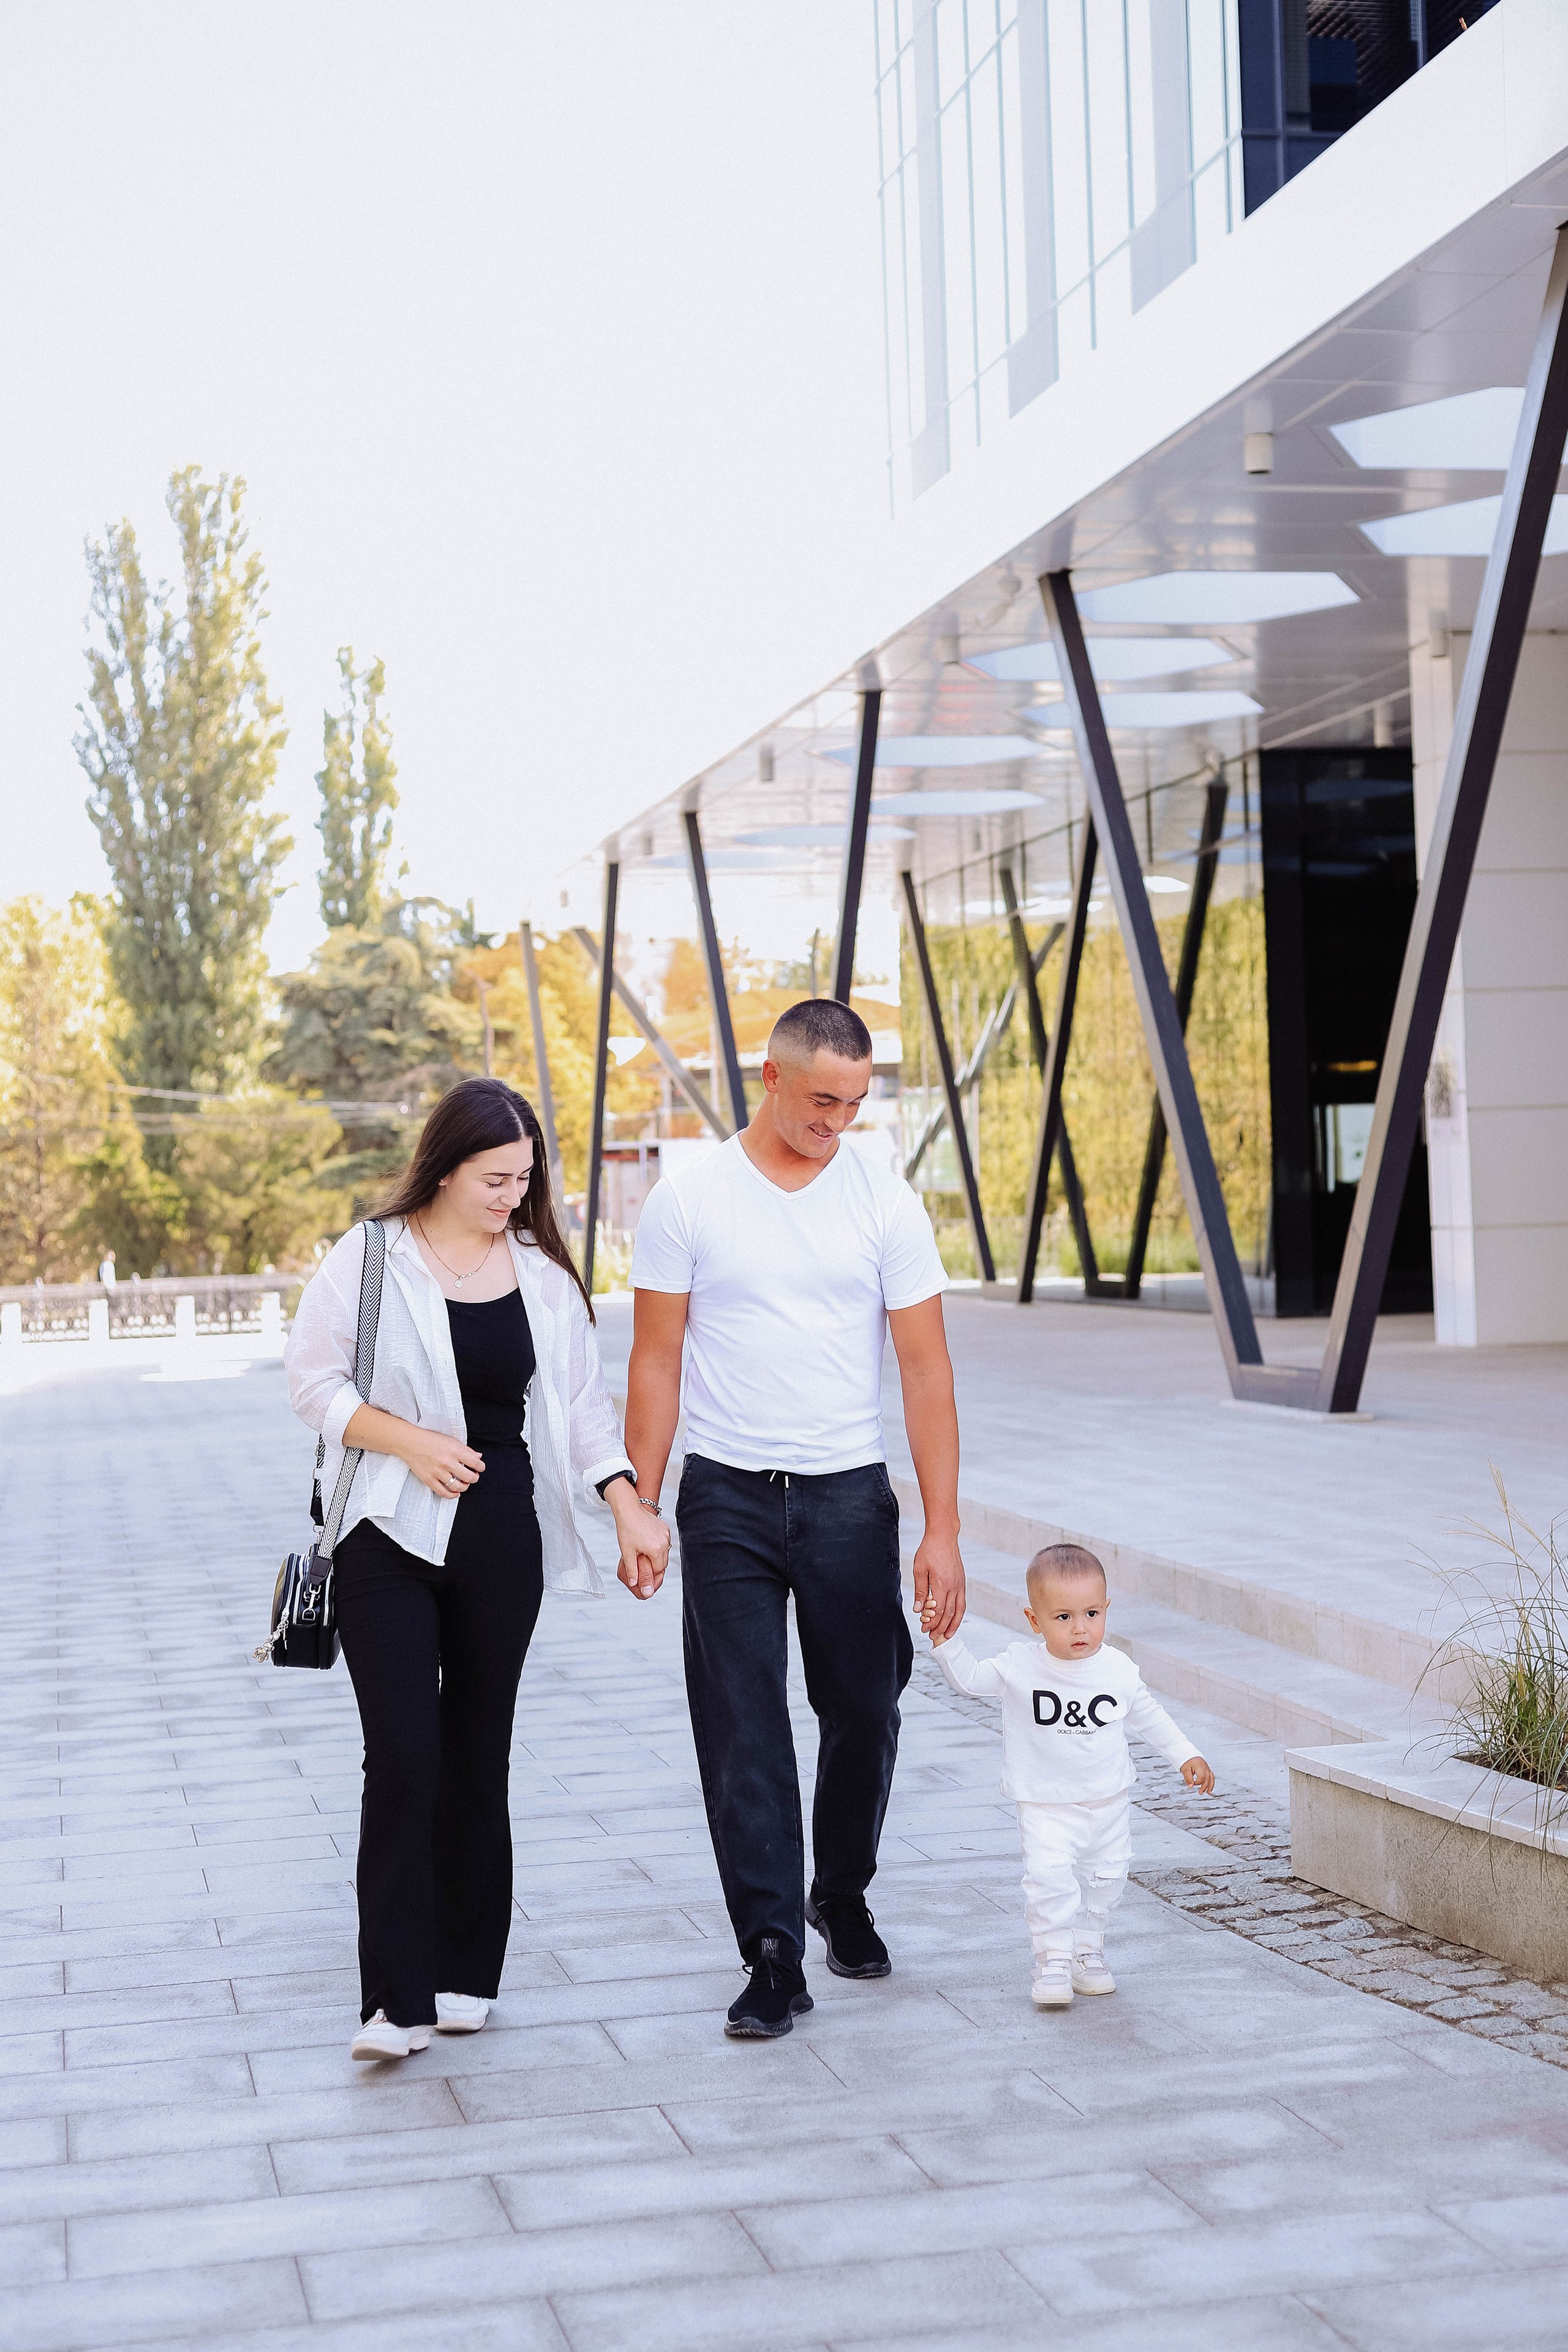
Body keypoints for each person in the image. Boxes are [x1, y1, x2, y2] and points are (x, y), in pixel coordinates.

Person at [285, 1077, 668, 2062]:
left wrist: (628, 1506)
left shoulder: (541, 1274)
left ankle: (464, 1973)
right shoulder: (369, 1257)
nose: (510, 1196)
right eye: (495, 1178)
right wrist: (410, 1442)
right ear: (447, 1165)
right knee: (404, 1755)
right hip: (386, 1532)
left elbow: (581, 1409)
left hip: (501, 1533)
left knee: (477, 1752)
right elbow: (312, 1384)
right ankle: (392, 2002)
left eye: (523, 1179)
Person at [625, 998, 965, 2039]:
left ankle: (841, 1889)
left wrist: (940, 1528)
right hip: (725, 1491)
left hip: (847, 1494)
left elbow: (924, 1366)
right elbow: (655, 1358)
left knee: (867, 1703)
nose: (838, 1122)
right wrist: (640, 1504)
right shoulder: (689, 1201)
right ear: (768, 1079)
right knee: (743, 1726)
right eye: (823, 1100)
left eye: (856, 1103)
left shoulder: (884, 1200)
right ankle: (771, 1948)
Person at [928, 1542, 1213, 2010]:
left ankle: (1088, 1950)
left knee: (1107, 1876)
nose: (1080, 1628)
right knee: (1050, 1879)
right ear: (1034, 1619)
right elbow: (972, 1680)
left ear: (1106, 1610)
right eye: (1063, 1617)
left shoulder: (1117, 1669)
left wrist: (1186, 1754)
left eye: (1091, 1613)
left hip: (1107, 1800)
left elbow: (1149, 1715)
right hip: (1045, 1803)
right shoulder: (1021, 1665)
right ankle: (1054, 1961)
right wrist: (946, 1642)